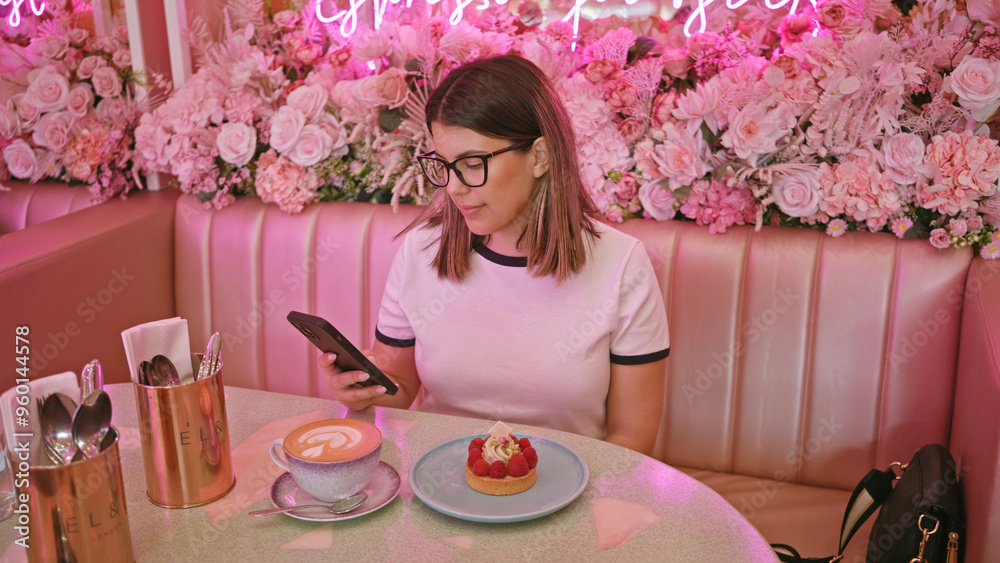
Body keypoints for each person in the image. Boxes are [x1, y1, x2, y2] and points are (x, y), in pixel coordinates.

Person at [320, 54, 669, 455]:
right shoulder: (419, 252)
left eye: (471, 164)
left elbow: (632, 439)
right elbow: (398, 390)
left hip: (568, 493)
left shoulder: (622, 264)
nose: (453, 188)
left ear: (539, 156)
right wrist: (361, 390)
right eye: (444, 166)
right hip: (442, 481)